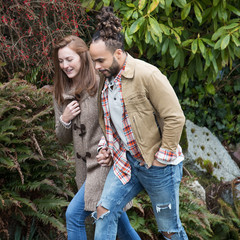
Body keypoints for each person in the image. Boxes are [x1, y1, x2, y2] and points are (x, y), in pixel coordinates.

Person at [89, 7, 189, 240]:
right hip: (128, 162)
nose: (96, 66)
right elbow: (113, 123)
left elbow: (175, 117)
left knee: (169, 230)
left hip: (159, 167)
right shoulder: (107, 80)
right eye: (94, 61)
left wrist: (162, 158)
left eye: (100, 60)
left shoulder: (147, 75)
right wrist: (106, 148)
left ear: (119, 54)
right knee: (104, 210)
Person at [52, 35, 140, 240]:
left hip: (105, 162)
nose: (65, 65)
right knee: (115, 220)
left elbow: (120, 118)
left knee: (73, 216)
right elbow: (61, 138)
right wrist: (65, 119)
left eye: (69, 59)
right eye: (60, 61)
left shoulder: (101, 81)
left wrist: (111, 147)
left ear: (83, 57)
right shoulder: (60, 91)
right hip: (83, 169)